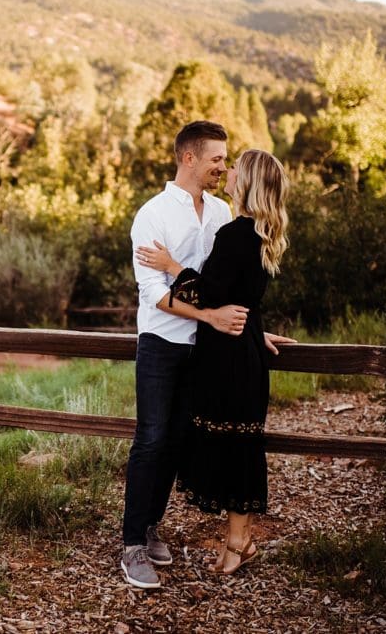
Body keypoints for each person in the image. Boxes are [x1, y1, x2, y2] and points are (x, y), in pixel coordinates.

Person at [136, 148, 291, 576]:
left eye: (236, 166)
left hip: (229, 354)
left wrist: (170, 265)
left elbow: (209, 295)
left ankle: (238, 541)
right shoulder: (259, 231)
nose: (229, 170)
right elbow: (242, 299)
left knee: (235, 447)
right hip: (242, 347)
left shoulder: (236, 232)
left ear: (249, 180)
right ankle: (237, 540)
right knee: (239, 445)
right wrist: (258, 332)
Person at [121, 120, 251, 590]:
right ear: (189, 158)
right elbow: (154, 294)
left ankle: (152, 525)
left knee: (178, 441)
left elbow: (225, 285)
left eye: (225, 158)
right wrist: (213, 317)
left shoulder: (221, 214)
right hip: (161, 343)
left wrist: (251, 330)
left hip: (207, 351)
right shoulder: (152, 215)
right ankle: (133, 543)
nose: (223, 166)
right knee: (152, 439)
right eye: (216, 158)